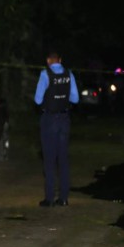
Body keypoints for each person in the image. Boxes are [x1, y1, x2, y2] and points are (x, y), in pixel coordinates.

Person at [34, 51, 79, 207]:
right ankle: (64, 198)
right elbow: (75, 98)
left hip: (49, 119)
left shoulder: (45, 74)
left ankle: (49, 198)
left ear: (48, 61)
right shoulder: (69, 74)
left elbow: (38, 100)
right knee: (63, 159)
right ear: (60, 60)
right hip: (64, 119)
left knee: (49, 160)